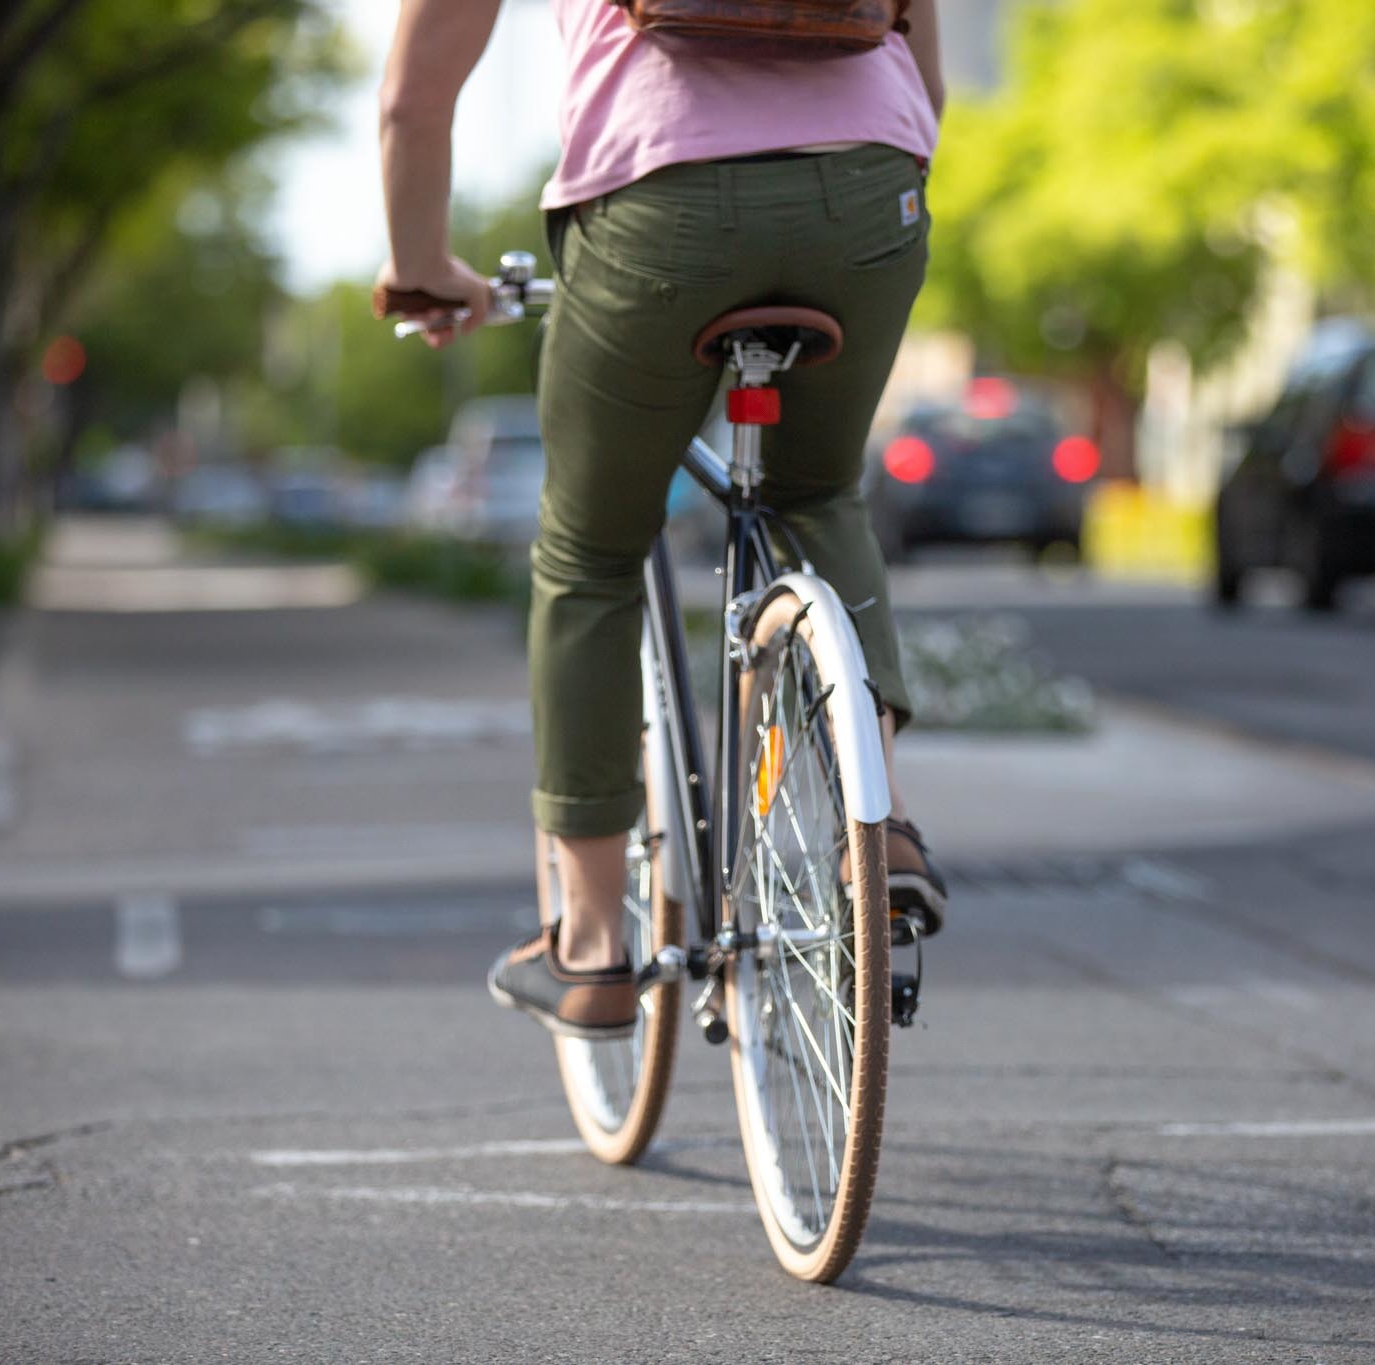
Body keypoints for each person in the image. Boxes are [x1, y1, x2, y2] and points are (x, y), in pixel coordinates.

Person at [378, 0, 949, 1039]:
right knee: (817, 490)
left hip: (659, 200)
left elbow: (412, 101)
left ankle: (592, 944)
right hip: (871, 186)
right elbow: (924, 62)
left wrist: (421, 265)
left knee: (590, 553)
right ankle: (884, 829)